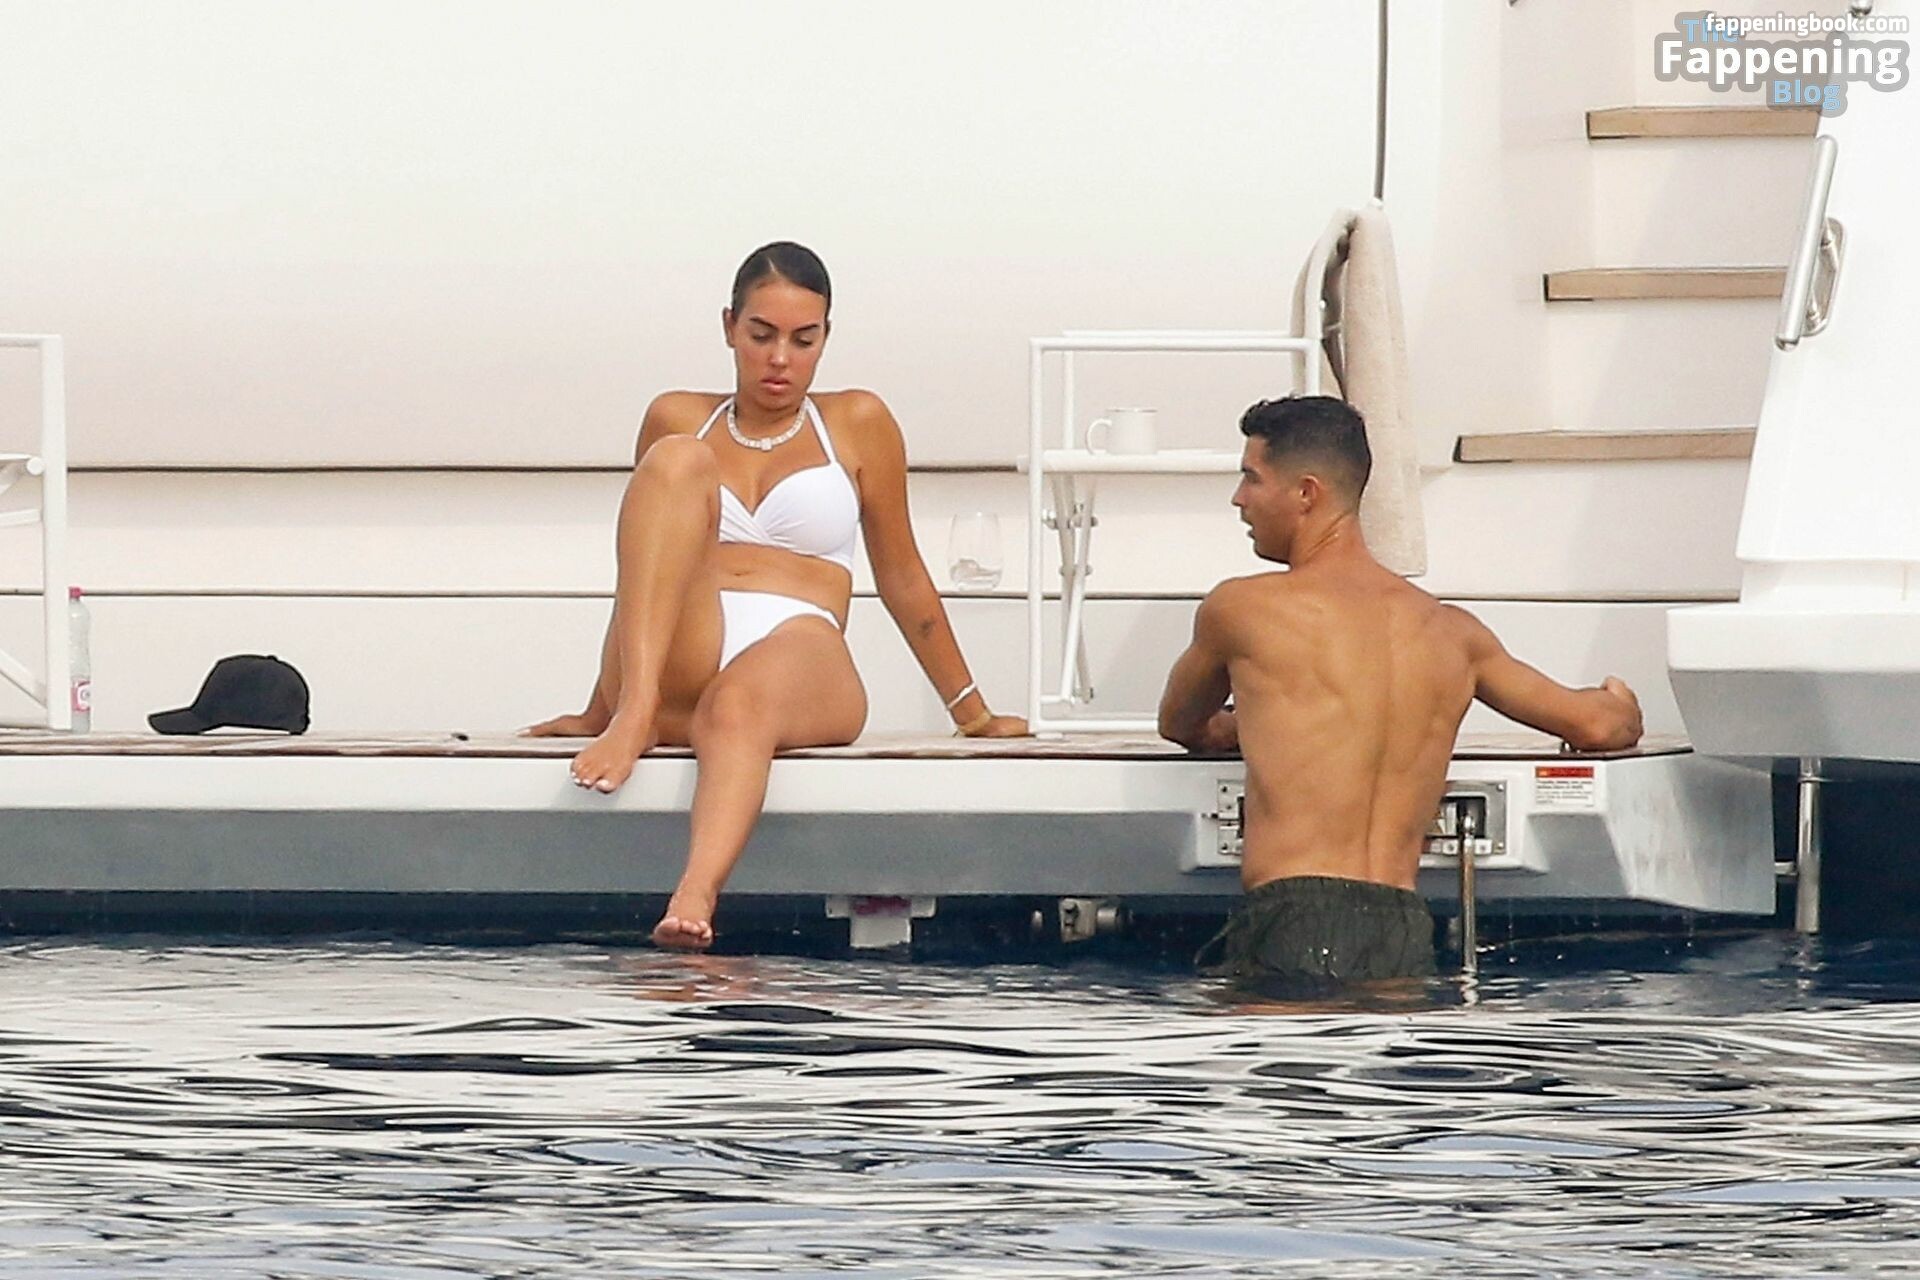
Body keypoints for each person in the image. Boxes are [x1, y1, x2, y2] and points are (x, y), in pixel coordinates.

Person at [525, 242, 1026, 950]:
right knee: (676, 459)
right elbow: (645, 572)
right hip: (684, 655)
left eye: (803, 339)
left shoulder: (857, 422)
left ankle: (695, 895)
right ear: (729, 326)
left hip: (799, 646)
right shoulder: (677, 416)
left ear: (826, 338)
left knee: (738, 706)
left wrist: (970, 712)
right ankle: (636, 713)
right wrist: (601, 709)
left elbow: (902, 572)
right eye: (761, 335)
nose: (780, 359)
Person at [1158, 396, 1643, 983]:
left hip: (1294, 915)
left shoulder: (1243, 609)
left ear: (1307, 492)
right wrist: (1618, 701)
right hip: (1401, 928)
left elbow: (1181, 724)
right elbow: (1598, 726)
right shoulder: (1450, 631)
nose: (1239, 499)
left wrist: (1249, 725)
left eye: (1251, 478)